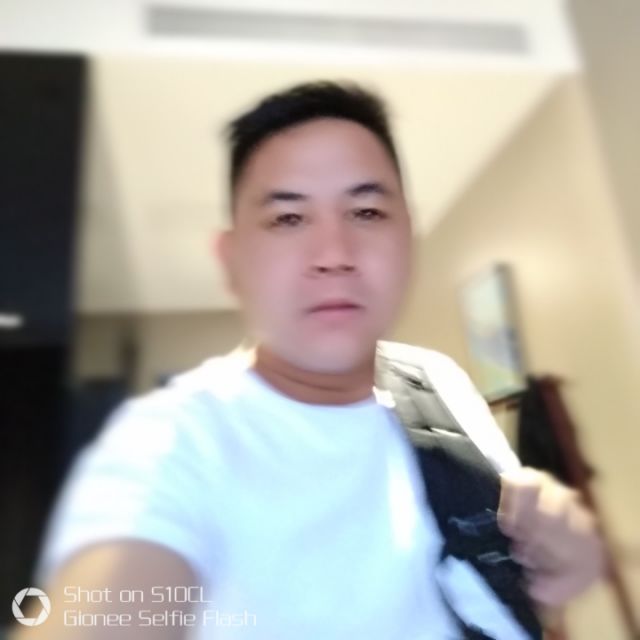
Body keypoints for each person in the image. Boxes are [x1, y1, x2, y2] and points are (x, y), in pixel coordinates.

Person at [13, 81, 604, 639]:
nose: (333, 253)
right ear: (232, 261)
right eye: (288, 218)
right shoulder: (174, 440)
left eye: (366, 212)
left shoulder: (435, 378)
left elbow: (489, 583)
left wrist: (556, 552)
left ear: (408, 237)